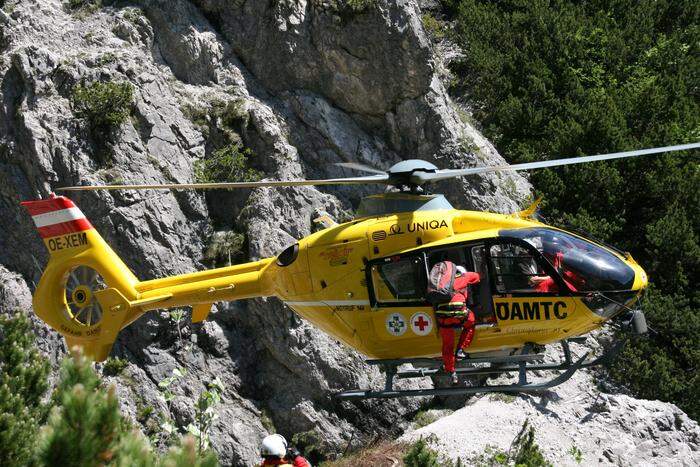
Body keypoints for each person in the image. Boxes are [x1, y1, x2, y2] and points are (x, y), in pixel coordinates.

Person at [428, 261, 481, 384]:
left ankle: (450, 370)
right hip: (459, 314)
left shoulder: (441, 284)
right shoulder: (464, 277)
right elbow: (477, 277)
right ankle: (461, 350)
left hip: (443, 317)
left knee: (447, 345)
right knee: (471, 323)